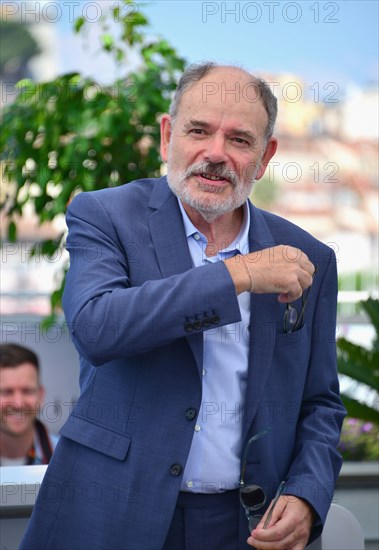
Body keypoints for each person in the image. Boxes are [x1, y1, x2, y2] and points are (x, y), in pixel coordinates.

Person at [20, 63, 346, 550]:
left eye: (239, 140)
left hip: (249, 526)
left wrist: (307, 493)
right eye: (199, 131)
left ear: (265, 156)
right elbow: (97, 327)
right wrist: (236, 276)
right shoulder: (105, 215)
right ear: (168, 134)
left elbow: (320, 403)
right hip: (113, 513)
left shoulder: (310, 256)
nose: (215, 154)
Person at [0, 343, 58, 466]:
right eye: (6, 391)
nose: (18, 404)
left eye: (27, 391)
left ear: (40, 395)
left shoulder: (68, 459)